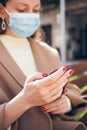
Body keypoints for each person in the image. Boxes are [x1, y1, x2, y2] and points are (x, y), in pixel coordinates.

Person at [0, 0, 86, 130]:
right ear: (1, 11)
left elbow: (69, 88)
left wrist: (66, 102)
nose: (30, 16)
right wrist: (24, 100)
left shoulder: (49, 52)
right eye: (22, 10)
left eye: (35, 10)